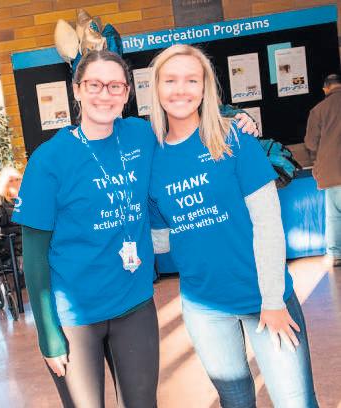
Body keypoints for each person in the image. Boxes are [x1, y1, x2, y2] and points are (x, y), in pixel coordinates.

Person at [12, 49, 258, 408]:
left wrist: (234, 116)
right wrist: (48, 333)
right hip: (75, 316)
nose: (105, 94)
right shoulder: (48, 160)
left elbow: (186, 116)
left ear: (127, 93)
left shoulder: (141, 135)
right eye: (94, 85)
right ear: (77, 89)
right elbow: (34, 257)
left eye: (115, 86)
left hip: (134, 304)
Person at [148, 44, 318, 407]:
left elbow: (268, 222)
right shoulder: (151, 159)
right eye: (170, 80)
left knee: (295, 402)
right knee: (236, 402)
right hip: (205, 308)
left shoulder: (235, 139)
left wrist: (272, 300)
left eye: (192, 80)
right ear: (156, 87)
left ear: (205, 88)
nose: (180, 90)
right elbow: (160, 242)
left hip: (264, 297)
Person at [305, 73, 341, 268]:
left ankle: (335, 255)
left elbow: (311, 143)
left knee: (334, 216)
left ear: (326, 88)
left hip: (332, 171)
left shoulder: (318, 110)